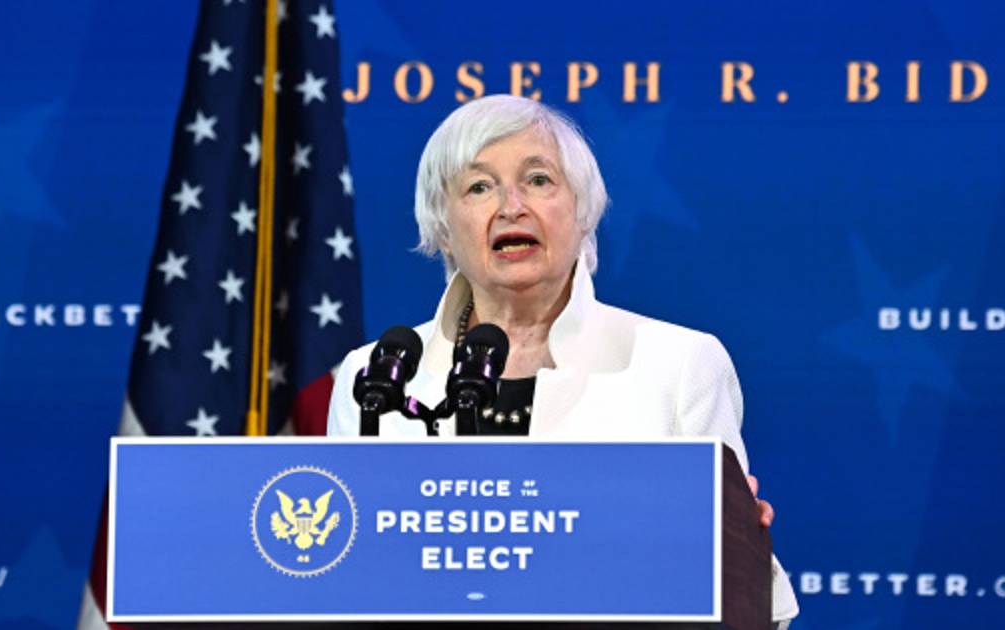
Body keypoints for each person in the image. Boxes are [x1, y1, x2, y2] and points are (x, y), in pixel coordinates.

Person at [326, 94, 798, 626]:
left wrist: (734, 545)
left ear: (583, 211)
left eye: (538, 180)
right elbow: (339, 578)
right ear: (441, 229)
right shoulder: (377, 378)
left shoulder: (679, 364)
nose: (511, 206)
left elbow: (742, 597)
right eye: (479, 187)